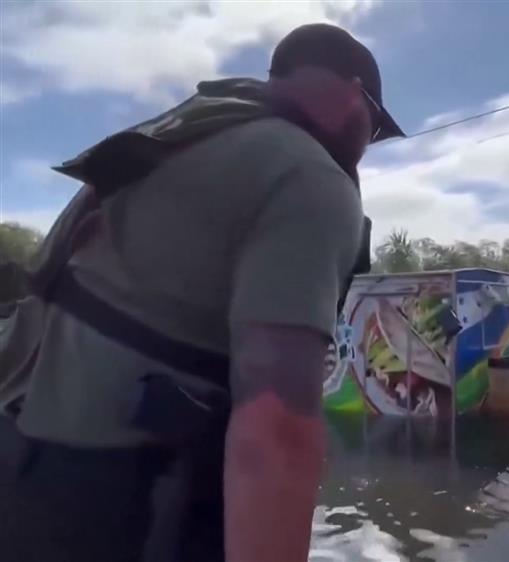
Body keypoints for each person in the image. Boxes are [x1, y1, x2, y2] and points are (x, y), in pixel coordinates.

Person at [0, 23, 402, 562]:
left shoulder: (178, 135)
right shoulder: (310, 176)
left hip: (20, 461)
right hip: (115, 507)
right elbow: (276, 431)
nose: (368, 145)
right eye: (374, 126)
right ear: (355, 93)